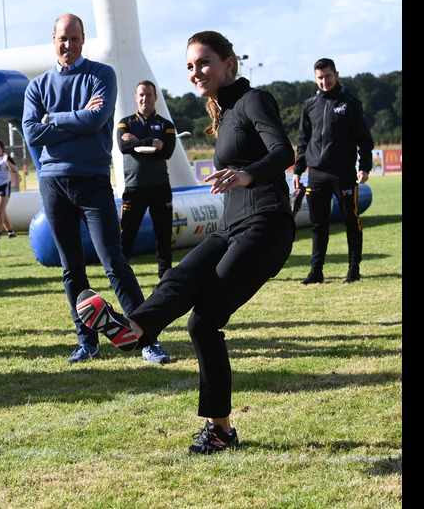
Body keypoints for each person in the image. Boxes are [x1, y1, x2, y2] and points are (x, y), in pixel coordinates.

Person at [77, 31, 296, 454]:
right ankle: (133, 329)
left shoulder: (254, 100)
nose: (196, 72)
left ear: (230, 64)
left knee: (203, 320)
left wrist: (248, 173)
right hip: (233, 226)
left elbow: (283, 152)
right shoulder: (226, 110)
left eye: (204, 62)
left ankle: (221, 430)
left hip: (266, 226)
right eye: (191, 66)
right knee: (181, 276)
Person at [22, 13, 169, 365]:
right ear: (53, 39)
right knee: (71, 268)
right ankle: (87, 342)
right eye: (62, 38)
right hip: (53, 183)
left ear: (83, 39)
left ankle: (146, 338)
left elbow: (96, 119)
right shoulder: (37, 86)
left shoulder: (102, 74)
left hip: (92, 181)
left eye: (74, 38)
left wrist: (52, 119)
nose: (68, 45)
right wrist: (74, 119)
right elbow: (31, 133)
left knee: (114, 263)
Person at [293, 58, 374, 284]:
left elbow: (364, 139)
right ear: (315, 78)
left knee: (351, 220)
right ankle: (316, 272)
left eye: (328, 76)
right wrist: (298, 170)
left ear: (336, 74)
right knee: (318, 225)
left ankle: (353, 270)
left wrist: (364, 167)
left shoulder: (350, 103)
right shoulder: (310, 105)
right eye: (320, 78)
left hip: (343, 173)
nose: (324, 81)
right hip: (316, 174)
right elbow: (303, 140)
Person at [116, 80, 177, 277]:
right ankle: (120, 275)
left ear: (155, 97)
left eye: (148, 95)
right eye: (141, 95)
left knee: (164, 235)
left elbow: (166, 152)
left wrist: (136, 143)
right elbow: (123, 147)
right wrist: (151, 142)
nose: (145, 99)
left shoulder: (166, 125)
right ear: (136, 97)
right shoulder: (126, 123)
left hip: (160, 187)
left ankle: (165, 276)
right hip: (134, 188)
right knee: (126, 235)